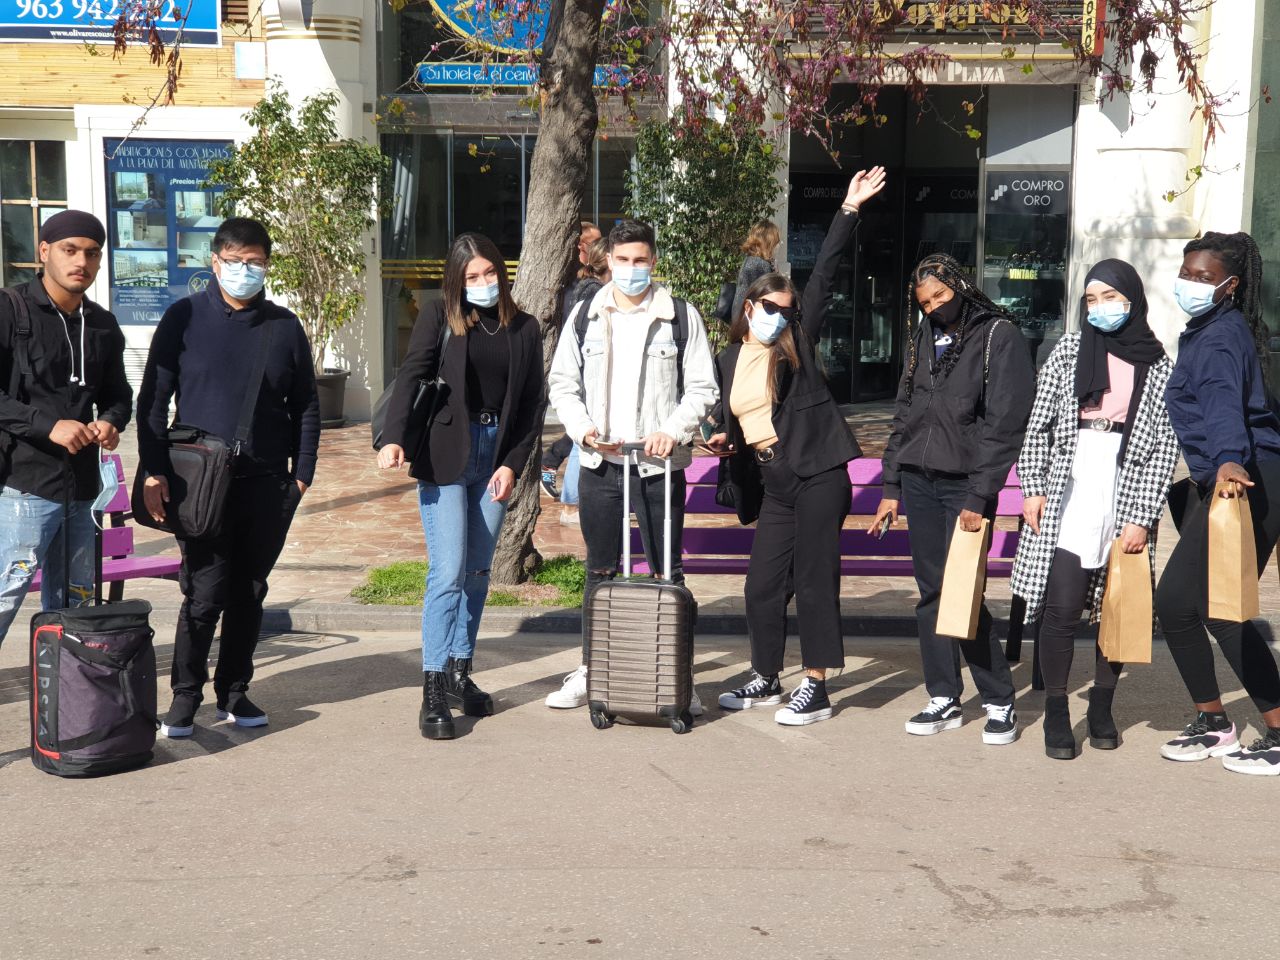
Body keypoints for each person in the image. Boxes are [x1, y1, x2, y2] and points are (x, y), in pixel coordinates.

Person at [707, 168, 885, 726]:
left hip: (818, 475)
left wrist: (849, 210)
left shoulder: (797, 344)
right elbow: (737, 415)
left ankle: (816, 685)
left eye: (787, 310)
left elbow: (825, 274)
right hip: (775, 483)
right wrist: (722, 434)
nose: (780, 317)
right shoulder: (729, 358)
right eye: (772, 308)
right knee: (761, 586)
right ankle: (765, 675)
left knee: (813, 581)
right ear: (749, 307)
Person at [138, 217, 319, 738]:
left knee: (249, 590)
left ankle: (235, 690)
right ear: (215, 262)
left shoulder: (284, 327)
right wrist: (154, 470)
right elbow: (153, 401)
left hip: (268, 484)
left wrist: (301, 477)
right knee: (204, 592)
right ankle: (185, 696)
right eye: (235, 261)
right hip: (201, 484)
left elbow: (307, 405)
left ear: (267, 265)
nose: (245, 270)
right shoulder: (184, 318)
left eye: (255, 262)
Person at [545, 218, 719, 711]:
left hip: (657, 465)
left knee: (667, 572)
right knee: (599, 571)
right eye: (622, 260)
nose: (631, 268)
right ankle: (593, 669)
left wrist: (673, 430)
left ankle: (677, 677)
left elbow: (702, 388)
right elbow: (563, 383)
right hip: (600, 462)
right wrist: (582, 429)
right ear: (608, 261)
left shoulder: (679, 315)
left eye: (640, 260)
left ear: (653, 261)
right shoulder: (587, 314)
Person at [378, 232, 544, 740]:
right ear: (456, 280)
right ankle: (432, 687)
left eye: (490, 272)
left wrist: (512, 464)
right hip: (445, 453)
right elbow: (413, 373)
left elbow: (532, 405)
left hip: (495, 457)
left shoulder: (525, 328)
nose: (483, 281)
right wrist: (393, 437)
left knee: (477, 572)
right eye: (472, 276)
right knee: (447, 571)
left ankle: (458, 670)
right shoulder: (439, 315)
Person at [1011, 259, 1177, 759]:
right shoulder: (1068, 349)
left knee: (1116, 607)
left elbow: (1164, 447)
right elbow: (1038, 424)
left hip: (1125, 485)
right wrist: (1033, 486)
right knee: (1061, 607)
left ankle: (1102, 706)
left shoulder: (1158, 364)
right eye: (1091, 299)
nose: (1099, 307)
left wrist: (1142, 516)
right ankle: (1057, 710)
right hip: (1071, 482)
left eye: (1110, 297)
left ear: (1132, 300)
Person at [871, 253, 1035, 745]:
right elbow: (905, 412)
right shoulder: (923, 336)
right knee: (931, 593)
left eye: (941, 296)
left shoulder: (998, 336)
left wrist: (980, 494)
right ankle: (943, 694)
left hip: (965, 484)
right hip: (919, 481)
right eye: (925, 303)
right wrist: (891, 487)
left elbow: (1006, 423)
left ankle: (999, 700)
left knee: (962, 591)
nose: (934, 307)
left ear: (960, 286)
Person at [1154, 231, 1280, 775]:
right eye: (1187, 273)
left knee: (1220, 607)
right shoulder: (1206, 330)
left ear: (1230, 285)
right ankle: (1214, 723)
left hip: (1246, 478)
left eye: (1204, 278)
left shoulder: (1221, 336)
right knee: (1178, 604)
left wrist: (1228, 460)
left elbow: (1225, 404)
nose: (1191, 283)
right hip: (1231, 478)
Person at [0, 210, 131, 646]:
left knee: (76, 603)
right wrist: (48, 426)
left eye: (92, 253)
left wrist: (110, 421)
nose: (81, 262)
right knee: (5, 594)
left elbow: (118, 393)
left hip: (83, 489)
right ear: (44, 251)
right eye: (69, 250)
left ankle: (63, 683)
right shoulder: (10, 309)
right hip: (23, 486)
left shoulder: (102, 324)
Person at [543, 237, 612, 524]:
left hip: (583, 374)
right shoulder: (595, 293)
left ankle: (572, 501)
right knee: (582, 439)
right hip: (587, 376)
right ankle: (572, 503)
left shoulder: (582, 287)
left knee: (580, 438)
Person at [729, 220, 781, 325]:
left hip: (741, 319)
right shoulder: (760, 264)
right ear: (769, 242)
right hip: (750, 322)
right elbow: (770, 296)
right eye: (776, 241)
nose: (779, 244)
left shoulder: (751, 259)